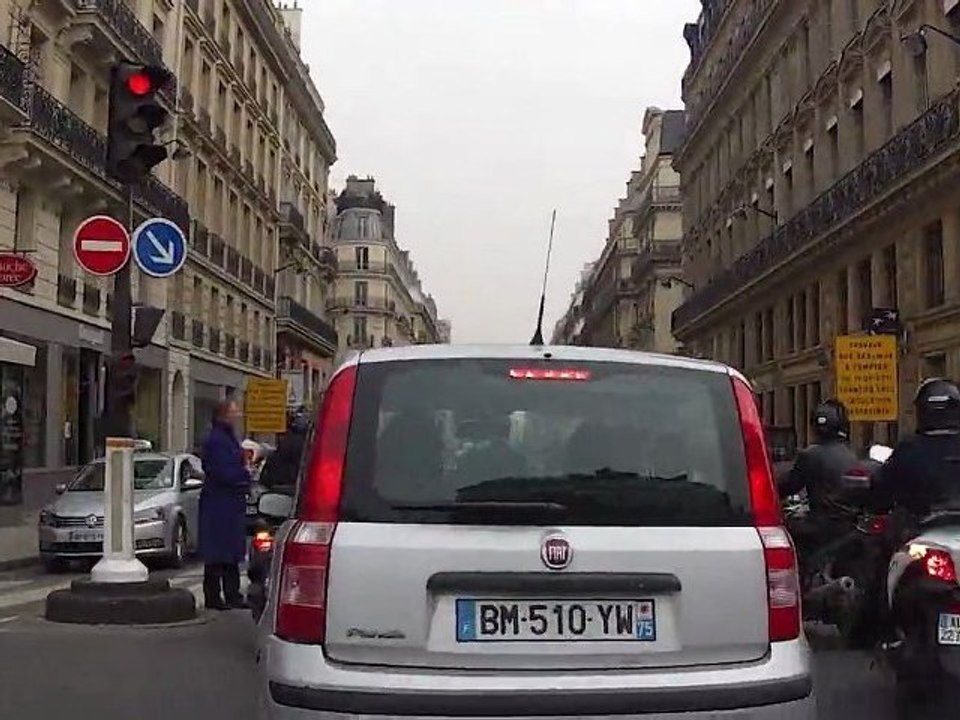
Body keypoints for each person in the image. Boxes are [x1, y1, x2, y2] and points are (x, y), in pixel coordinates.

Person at [873, 378, 960, 516]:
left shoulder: (909, 448)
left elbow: (882, 490)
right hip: (920, 527)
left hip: (917, 526)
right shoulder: (908, 448)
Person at [199, 397, 251, 610]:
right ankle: (214, 596)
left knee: (230, 551)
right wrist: (244, 476)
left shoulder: (227, 438)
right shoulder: (217, 440)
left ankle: (232, 594)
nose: (237, 416)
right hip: (219, 502)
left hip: (229, 502)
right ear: (224, 415)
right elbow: (221, 470)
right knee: (217, 552)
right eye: (233, 412)